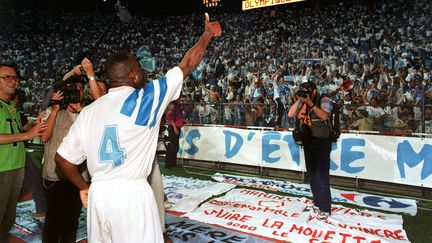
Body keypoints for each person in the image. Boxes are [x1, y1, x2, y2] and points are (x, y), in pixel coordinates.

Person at [54, 13, 221, 243]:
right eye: (138, 68)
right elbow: (187, 64)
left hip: (98, 195)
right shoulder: (146, 99)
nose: (141, 71)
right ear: (133, 75)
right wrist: (207, 35)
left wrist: (83, 187)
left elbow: (62, 159)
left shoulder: (89, 111)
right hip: (132, 196)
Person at [40, 59, 106, 243]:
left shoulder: (88, 112)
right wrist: (53, 109)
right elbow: (44, 137)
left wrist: (80, 109)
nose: (74, 92)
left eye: (78, 89)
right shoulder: (53, 111)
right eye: (71, 89)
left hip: (78, 176)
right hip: (55, 176)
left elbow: (97, 130)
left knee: (72, 219)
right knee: (53, 219)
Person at [0, 63, 47, 242]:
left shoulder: (11, 106)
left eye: (15, 78)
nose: (13, 81)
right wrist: (28, 134)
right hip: (2, 167)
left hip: (16, 165)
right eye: (7, 77)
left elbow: (17, 129)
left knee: (8, 216)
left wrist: (34, 124)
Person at [288, 77, 333, 220]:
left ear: (314, 90)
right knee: (312, 176)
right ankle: (317, 202)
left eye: (308, 91)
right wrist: (300, 100)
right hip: (309, 142)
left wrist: (310, 103)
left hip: (322, 142)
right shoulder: (304, 102)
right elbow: (290, 114)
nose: (306, 93)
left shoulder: (324, 100)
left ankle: (325, 208)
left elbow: (325, 115)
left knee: (321, 176)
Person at [165, 100, 187, 170]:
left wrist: (184, 121)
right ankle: (169, 164)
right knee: (173, 146)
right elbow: (171, 118)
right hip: (173, 127)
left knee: (176, 146)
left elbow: (179, 116)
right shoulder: (173, 105)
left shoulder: (177, 105)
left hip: (176, 126)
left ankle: (173, 163)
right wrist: (175, 128)